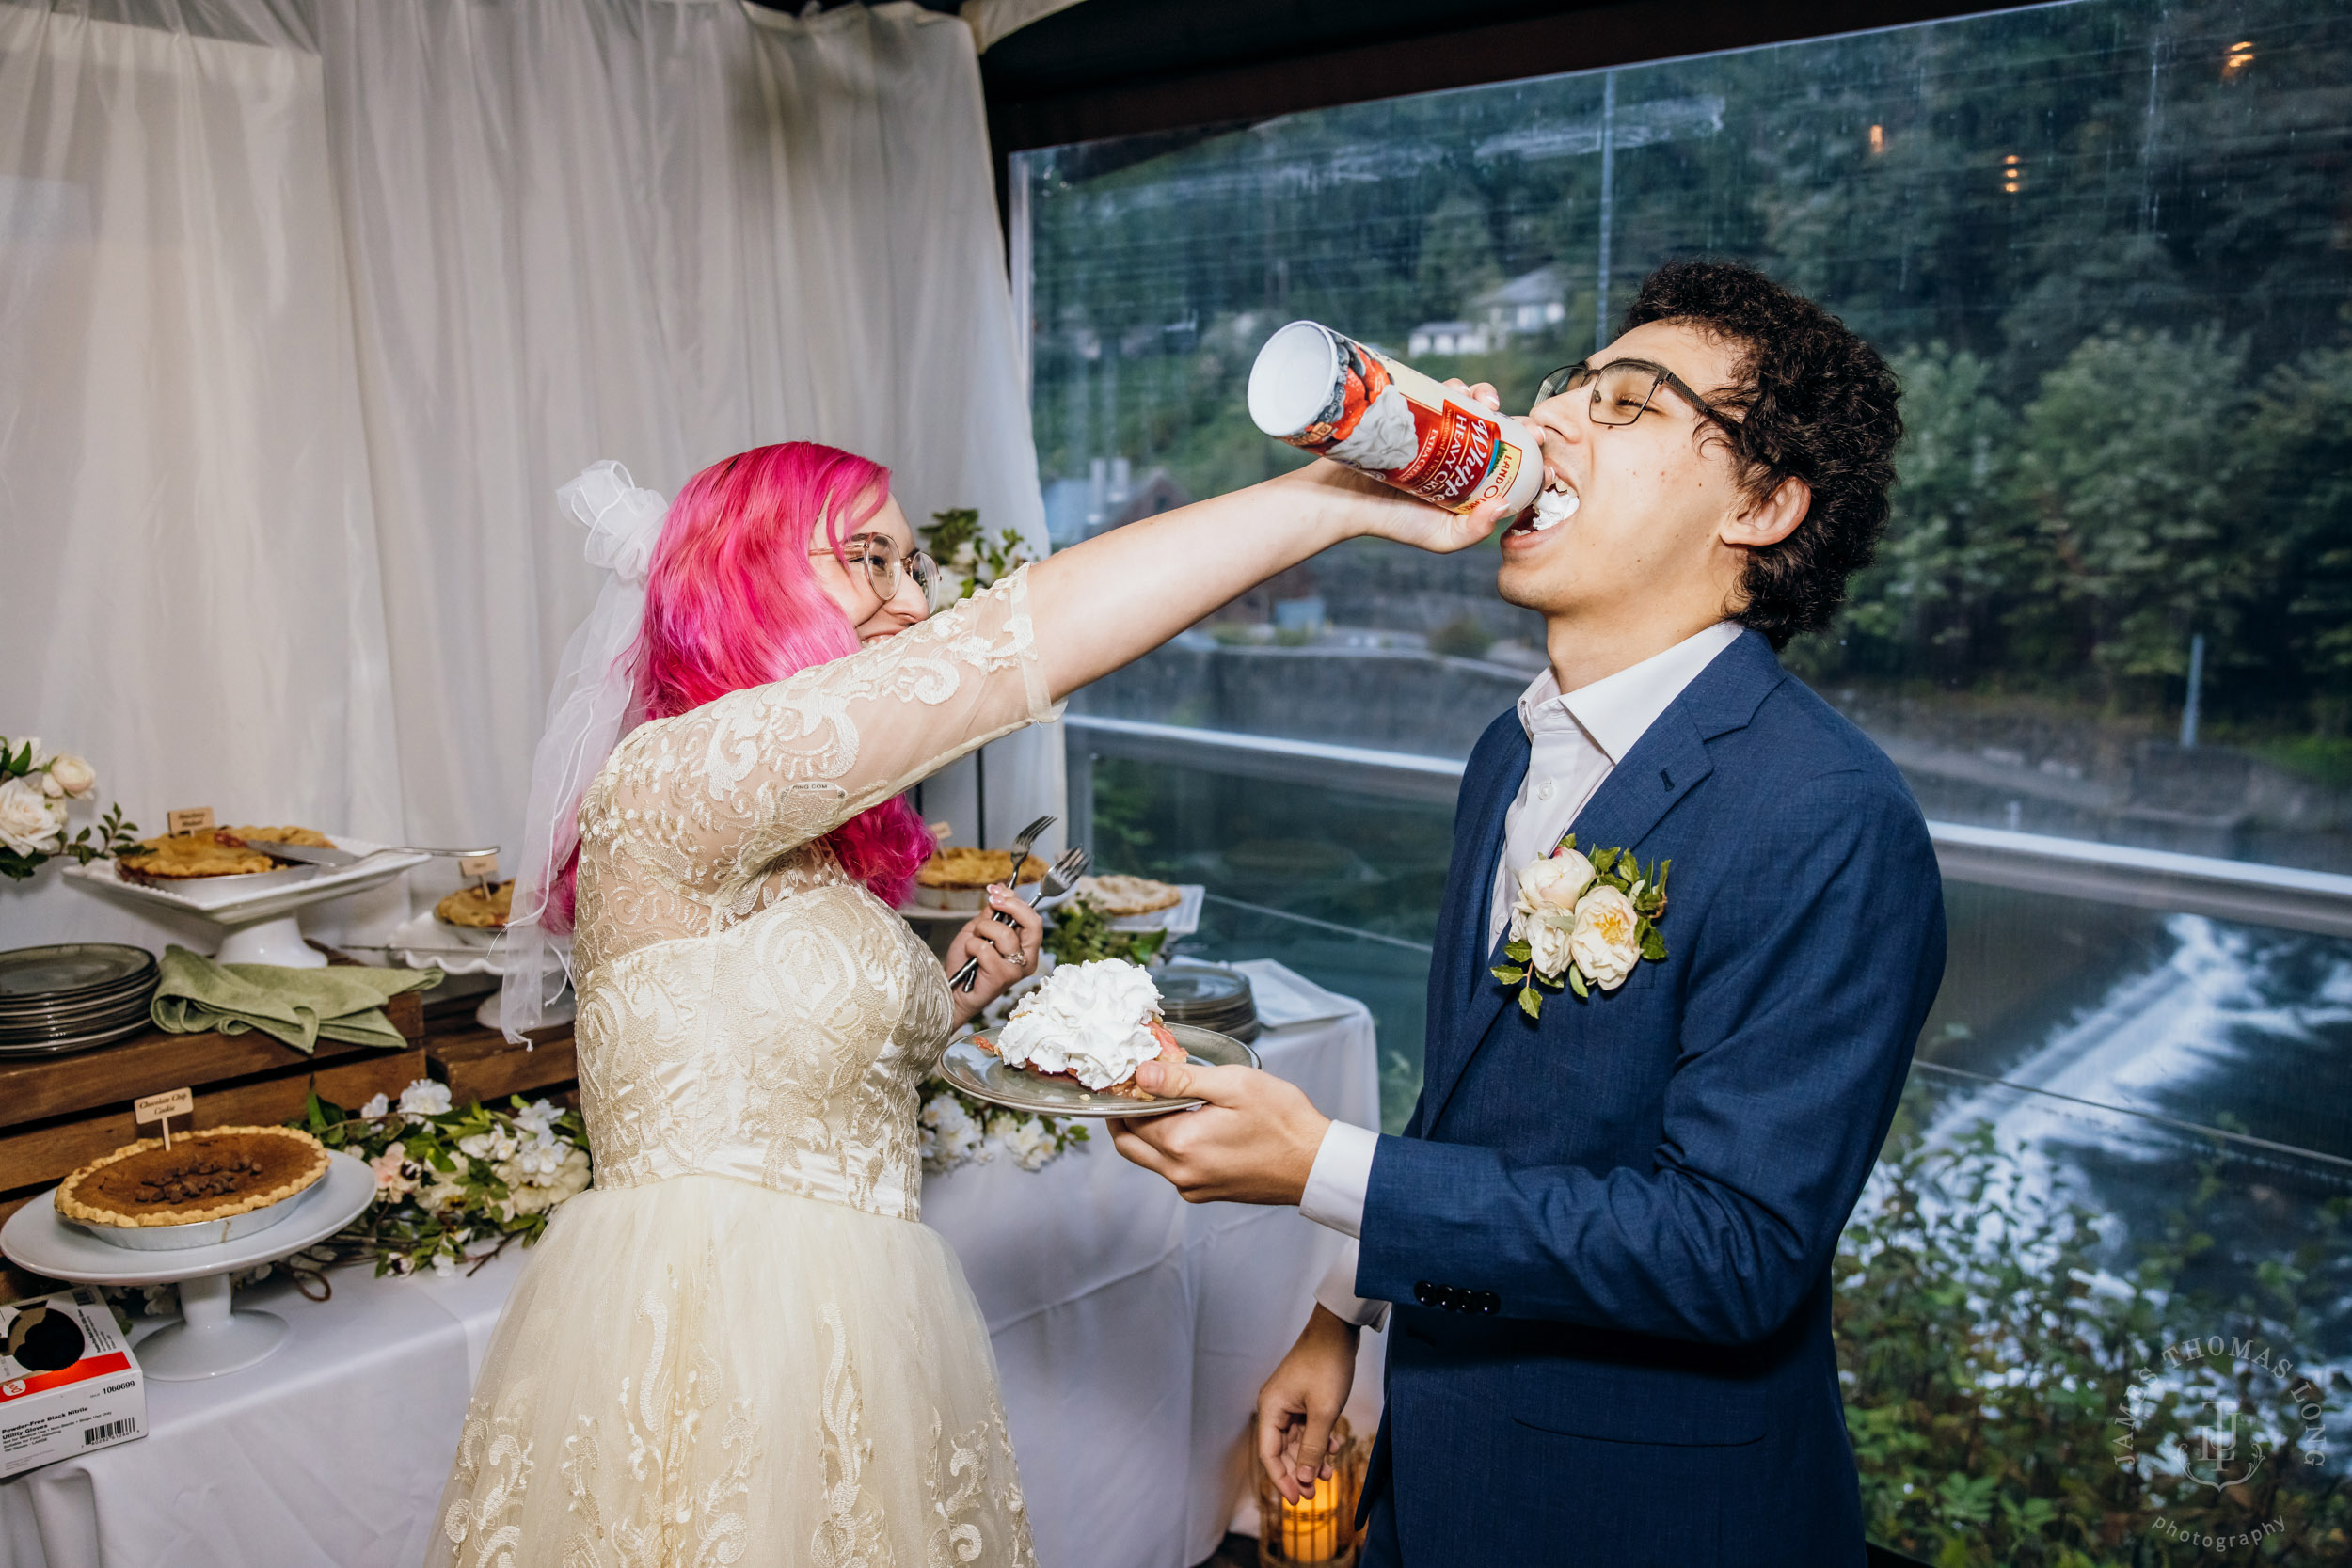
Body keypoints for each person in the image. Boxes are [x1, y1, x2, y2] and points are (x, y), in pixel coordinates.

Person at [427, 439, 1502, 1566]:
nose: (915, 596)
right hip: (715, 1332)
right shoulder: (665, 780)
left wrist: (957, 990)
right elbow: (1006, 644)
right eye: (871, 558)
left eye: (916, 562)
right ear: (747, 573)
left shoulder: (798, 843)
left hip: (865, 1321)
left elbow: (785, 1064)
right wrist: (1323, 497)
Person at [1110, 261, 1947, 1567]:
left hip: (1650, 1512)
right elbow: (1480, 1100)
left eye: (1626, 405)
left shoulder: (1830, 815)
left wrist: (1323, 1169)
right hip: (1439, 1469)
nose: (1552, 418)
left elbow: (1733, 1249)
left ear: (1765, 502)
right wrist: (1343, 1309)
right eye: (1567, 386)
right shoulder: (1510, 748)